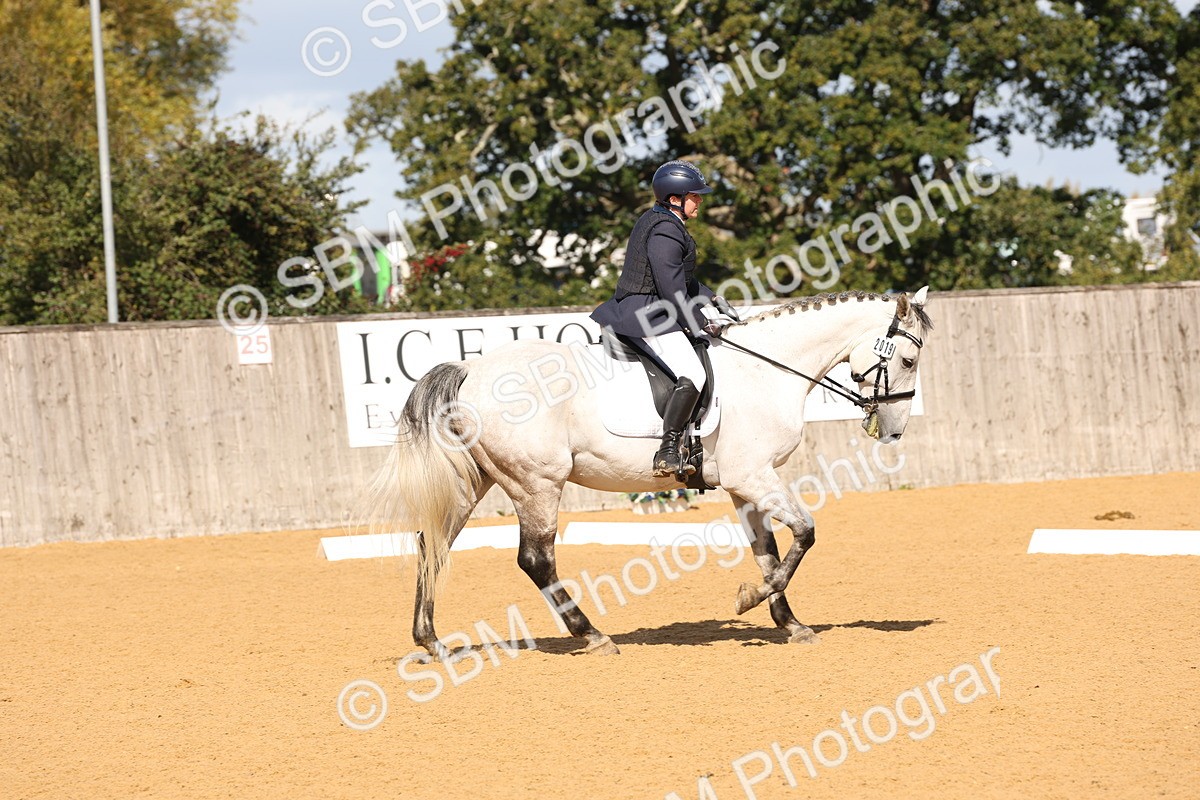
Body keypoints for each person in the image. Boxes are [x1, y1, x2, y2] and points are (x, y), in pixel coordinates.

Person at [591, 160, 738, 478]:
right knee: (693, 373)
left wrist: (712, 297)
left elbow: (681, 278)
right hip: (648, 313)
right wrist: (700, 322)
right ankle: (668, 449)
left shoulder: (660, 220)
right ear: (675, 198)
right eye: (694, 196)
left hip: (653, 307)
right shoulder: (665, 230)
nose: (699, 200)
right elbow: (672, 290)